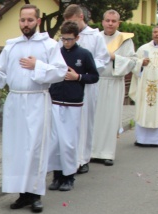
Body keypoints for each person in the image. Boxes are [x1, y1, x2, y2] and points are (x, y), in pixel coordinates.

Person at [0, 4, 67, 213]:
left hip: (38, 101)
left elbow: (60, 72)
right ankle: (22, 194)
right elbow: (0, 72)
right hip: (16, 102)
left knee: (35, 148)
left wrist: (37, 65)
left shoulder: (49, 45)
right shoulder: (11, 46)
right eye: (22, 20)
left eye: (30, 20)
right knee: (17, 148)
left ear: (37, 21)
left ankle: (35, 194)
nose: (25, 24)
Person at [47, 22, 99, 192]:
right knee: (54, 142)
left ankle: (69, 177)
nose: (66, 42)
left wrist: (78, 77)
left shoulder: (84, 54)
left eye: (69, 39)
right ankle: (57, 176)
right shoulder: (56, 52)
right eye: (63, 39)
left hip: (73, 103)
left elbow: (94, 76)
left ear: (77, 37)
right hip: (54, 101)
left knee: (68, 142)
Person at [63, 4, 110, 174]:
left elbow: (103, 60)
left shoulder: (95, 36)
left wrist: (83, 70)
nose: (71, 26)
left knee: (85, 122)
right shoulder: (67, 36)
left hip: (87, 85)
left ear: (81, 16)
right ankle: (69, 158)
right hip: (68, 85)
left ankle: (83, 159)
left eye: (73, 21)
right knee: (70, 122)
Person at [90, 9, 137, 166]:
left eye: (114, 21)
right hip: (96, 82)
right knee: (93, 118)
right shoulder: (95, 38)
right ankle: (91, 151)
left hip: (114, 82)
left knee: (110, 117)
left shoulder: (125, 40)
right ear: (102, 22)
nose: (110, 23)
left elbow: (132, 61)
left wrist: (114, 57)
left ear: (118, 23)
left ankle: (107, 153)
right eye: (107, 20)